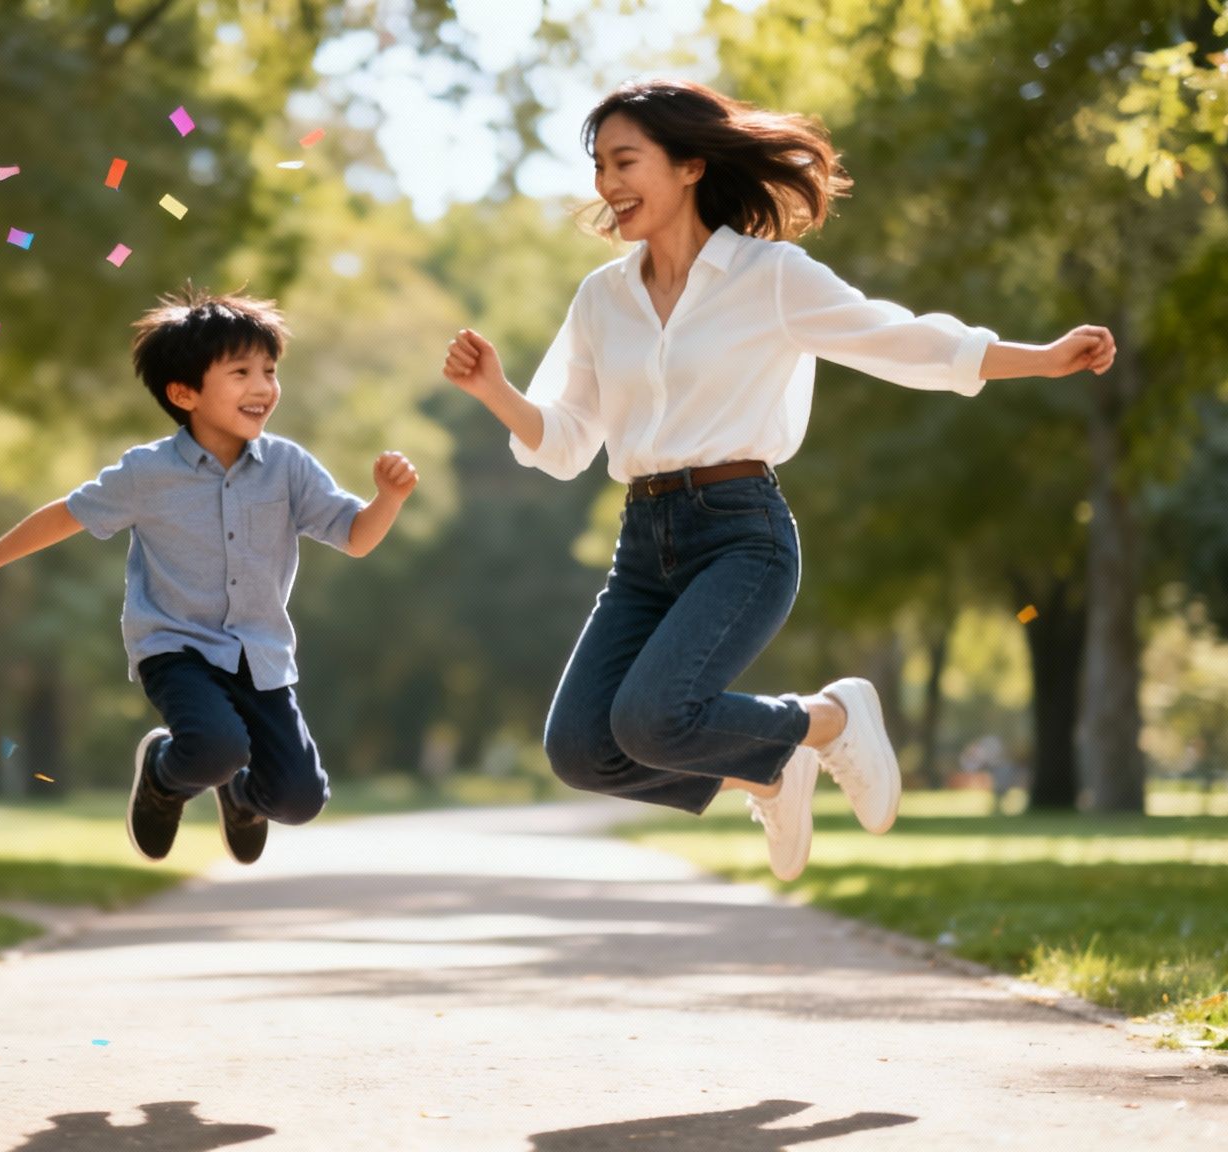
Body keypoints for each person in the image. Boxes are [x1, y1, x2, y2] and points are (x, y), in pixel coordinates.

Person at [442, 79, 1114, 880]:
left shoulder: (770, 277)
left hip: (740, 535)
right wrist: (496, 394)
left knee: (651, 719)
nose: (607, 185)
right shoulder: (603, 297)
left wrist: (1035, 358)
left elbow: (900, 342)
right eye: (598, 166)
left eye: (625, 161)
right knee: (582, 749)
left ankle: (825, 720)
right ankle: (770, 761)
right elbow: (565, 442)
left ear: (690, 165)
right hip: (642, 545)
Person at [0, 288, 418, 865]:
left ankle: (243, 798)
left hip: (260, 654)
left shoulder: (288, 467)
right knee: (216, 746)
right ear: (184, 392)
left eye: (269, 370)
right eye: (240, 372)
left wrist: (387, 498)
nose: (263, 386)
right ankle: (164, 776)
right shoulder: (147, 474)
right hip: (176, 646)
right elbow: (64, 516)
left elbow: (356, 536)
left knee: (298, 799)